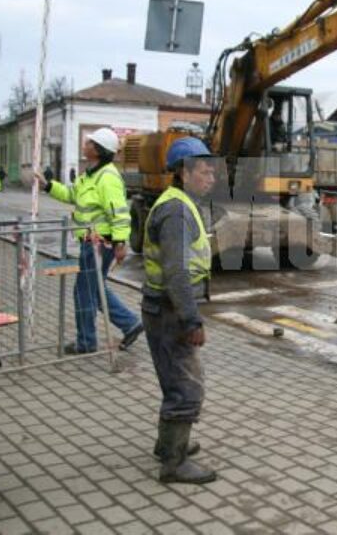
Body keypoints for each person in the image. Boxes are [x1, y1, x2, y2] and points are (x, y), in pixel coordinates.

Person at [142, 137, 216, 484]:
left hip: (164, 309)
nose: (211, 177)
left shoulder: (179, 204)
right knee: (187, 386)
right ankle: (174, 463)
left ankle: (165, 444)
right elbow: (177, 273)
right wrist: (192, 319)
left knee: (175, 379)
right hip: (170, 312)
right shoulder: (176, 211)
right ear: (184, 173)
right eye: (204, 171)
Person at [35, 128, 143, 354]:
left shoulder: (108, 178)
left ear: (98, 150)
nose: (85, 144)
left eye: (89, 142)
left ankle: (86, 341)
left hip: (101, 244)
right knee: (94, 289)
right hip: (90, 242)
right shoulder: (90, 175)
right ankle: (130, 323)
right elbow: (71, 195)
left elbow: (120, 213)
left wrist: (121, 243)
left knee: (84, 291)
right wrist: (48, 185)